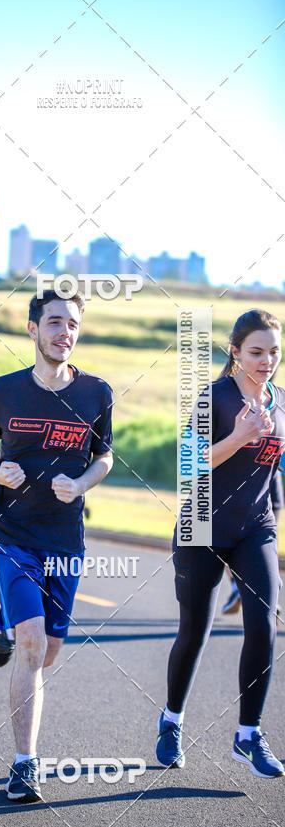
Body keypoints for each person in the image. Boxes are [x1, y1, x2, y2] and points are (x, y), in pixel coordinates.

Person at [0, 289, 113, 802]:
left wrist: (81, 484)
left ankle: (5, 619)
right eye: (54, 322)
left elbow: (105, 457)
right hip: (13, 534)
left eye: (72, 324)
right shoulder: (3, 391)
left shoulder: (97, 393)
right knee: (32, 645)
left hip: (64, 540)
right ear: (33, 330)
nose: (64, 332)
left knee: (49, 651)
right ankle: (24, 764)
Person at [157, 309, 285, 778]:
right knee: (195, 629)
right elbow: (189, 464)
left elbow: (277, 466)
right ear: (235, 352)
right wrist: (239, 436)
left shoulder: (281, 403)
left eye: (274, 352)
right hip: (202, 526)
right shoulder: (214, 398)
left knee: (264, 624)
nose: (267, 360)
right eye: (256, 352)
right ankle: (171, 721)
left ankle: (248, 735)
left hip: (255, 527)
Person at [222, 471, 283, 617]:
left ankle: (240, 588)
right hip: (269, 490)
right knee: (261, 548)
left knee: (222, 546)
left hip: (246, 493)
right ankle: (264, 592)